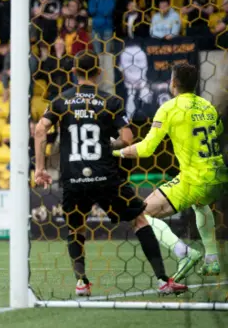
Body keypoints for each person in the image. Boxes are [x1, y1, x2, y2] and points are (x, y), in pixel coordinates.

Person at [33, 53, 187, 296]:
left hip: (73, 178)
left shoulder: (61, 100)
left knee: (76, 229)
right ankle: (162, 280)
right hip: (105, 176)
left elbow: (40, 129)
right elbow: (127, 138)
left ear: (75, 71)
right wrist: (108, 146)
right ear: (99, 73)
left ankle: (81, 282)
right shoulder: (111, 101)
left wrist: (39, 169)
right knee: (139, 221)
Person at [114, 63, 226, 280]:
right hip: (219, 175)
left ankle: (184, 253)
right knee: (201, 205)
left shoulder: (169, 107)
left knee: (141, 214)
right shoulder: (207, 106)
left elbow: (146, 149)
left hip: (195, 179)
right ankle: (212, 260)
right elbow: (218, 133)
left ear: (173, 83)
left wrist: (115, 153)